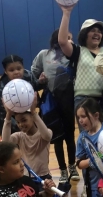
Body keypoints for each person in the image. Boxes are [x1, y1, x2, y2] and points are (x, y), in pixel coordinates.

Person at [32, 29, 79, 183]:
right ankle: (63, 170)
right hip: (50, 103)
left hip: (68, 100)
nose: (69, 41)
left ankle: (72, 166)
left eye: (71, 38)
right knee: (56, 137)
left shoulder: (73, 55)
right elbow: (34, 77)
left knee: (70, 135)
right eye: (67, 38)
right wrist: (40, 79)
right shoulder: (43, 55)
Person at [58, 4, 103, 111]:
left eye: (99, 31)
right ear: (84, 34)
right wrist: (66, 13)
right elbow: (62, 42)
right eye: (93, 30)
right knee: (86, 128)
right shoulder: (78, 51)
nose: (97, 33)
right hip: (83, 99)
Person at [2, 95, 52, 179]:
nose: (21, 124)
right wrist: (8, 115)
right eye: (18, 122)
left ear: (33, 118)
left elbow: (47, 136)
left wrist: (33, 112)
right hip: (25, 177)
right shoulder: (19, 136)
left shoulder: (44, 133)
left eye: (24, 120)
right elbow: (5, 143)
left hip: (44, 177)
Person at [0, 54, 38, 135]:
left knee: (32, 138)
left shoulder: (28, 75)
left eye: (19, 69)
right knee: (13, 142)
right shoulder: (2, 88)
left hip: (26, 113)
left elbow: (35, 86)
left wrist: (42, 82)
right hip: (5, 116)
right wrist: (19, 125)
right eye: (12, 70)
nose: (16, 72)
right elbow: (0, 111)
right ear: (5, 71)